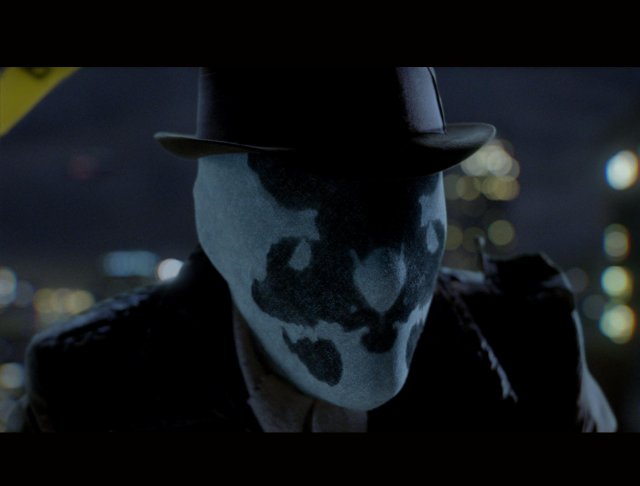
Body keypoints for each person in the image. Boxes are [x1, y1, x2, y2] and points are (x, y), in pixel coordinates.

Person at [7, 67, 616, 432]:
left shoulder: (536, 348)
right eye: (313, 194)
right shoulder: (82, 392)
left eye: (407, 193)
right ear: (216, 211)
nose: (384, 277)